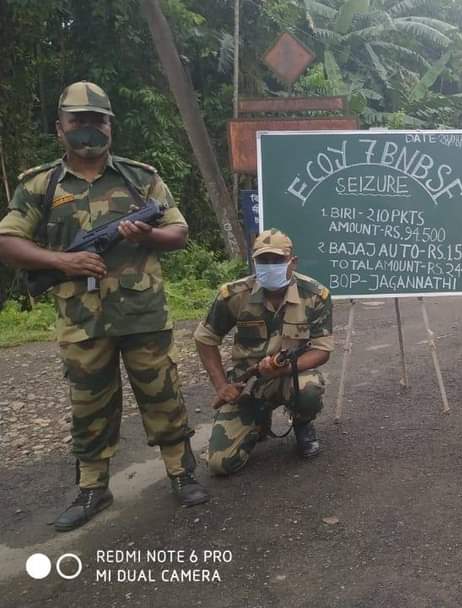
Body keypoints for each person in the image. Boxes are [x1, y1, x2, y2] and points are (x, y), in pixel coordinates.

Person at [0, 82, 207, 531]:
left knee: (163, 396)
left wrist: (145, 234)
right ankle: (94, 487)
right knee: (89, 406)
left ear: (111, 126)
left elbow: (179, 232)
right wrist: (63, 261)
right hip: (81, 320)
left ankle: (181, 472)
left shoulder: (139, 178)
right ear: (61, 128)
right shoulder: (42, 184)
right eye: (79, 121)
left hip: (143, 314)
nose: (89, 128)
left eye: (98, 120)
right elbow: (8, 241)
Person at [194, 229, 334, 475]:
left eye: (277, 260)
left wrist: (284, 367)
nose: (270, 266)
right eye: (263, 260)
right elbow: (204, 338)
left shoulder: (314, 295)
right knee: (220, 465)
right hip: (248, 384)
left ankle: (302, 423)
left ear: (293, 262)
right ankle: (257, 423)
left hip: (289, 378)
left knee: (309, 388)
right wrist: (220, 385)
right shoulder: (235, 295)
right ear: (254, 261)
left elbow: (322, 350)